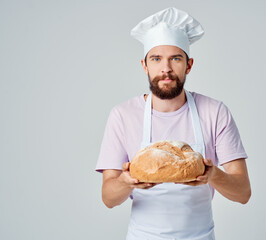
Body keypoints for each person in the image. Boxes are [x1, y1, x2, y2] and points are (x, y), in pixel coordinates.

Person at [96, 7, 251, 240]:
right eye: (156, 59)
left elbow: (243, 193)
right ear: (144, 65)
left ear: (188, 65)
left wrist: (213, 175)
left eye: (175, 59)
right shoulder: (123, 115)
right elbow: (108, 198)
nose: (165, 69)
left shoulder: (215, 112)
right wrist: (126, 181)